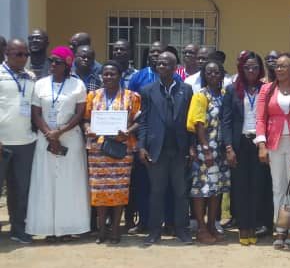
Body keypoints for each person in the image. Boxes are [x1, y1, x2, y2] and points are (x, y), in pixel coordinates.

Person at [26, 46, 90, 241]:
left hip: (70, 138)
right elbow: (36, 113)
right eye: (51, 60)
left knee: (69, 183)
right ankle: (47, 229)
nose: (52, 64)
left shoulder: (77, 85)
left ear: (67, 65)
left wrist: (60, 132)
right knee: (46, 182)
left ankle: (68, 228)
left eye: (57, 61)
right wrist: (50, 134)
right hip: (45, 139)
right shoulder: (40, 85)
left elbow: (79, 113)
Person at [138, 52, 194, 245]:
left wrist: (192, 146)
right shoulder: (147, 90)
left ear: (175, 67)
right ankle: (154, 231)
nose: (161, 66)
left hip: (179, 149)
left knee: (180, 192)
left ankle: (182, 230)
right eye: (159, 64)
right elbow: (143, 121)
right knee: (157, 192)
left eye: (165, 64)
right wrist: (141, 146)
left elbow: (190, 121)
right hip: (157, 149)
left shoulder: (186, 90)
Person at [83, 61, 141, 244]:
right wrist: (88, 129)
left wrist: (129, 131)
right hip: (98, 150)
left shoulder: (132, 97)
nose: (108, 77)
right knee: (99, 190)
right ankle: (102, 230)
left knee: (119, 190)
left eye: (112, 74)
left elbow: (139, 120)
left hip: (121, 149)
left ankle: (115, 228)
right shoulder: (93, 96)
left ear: (120, 76)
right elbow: (85, 119)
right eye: (105, 74)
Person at [256, 53, 290, 249]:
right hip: (274, 143)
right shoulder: (267, 89)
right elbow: (260, 118)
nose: (279, 69)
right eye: (277, 66)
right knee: (278, 187)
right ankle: (279, 228)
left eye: (283, 66)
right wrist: (261, 145)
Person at [222, 52, 270, 245]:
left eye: (255, 67)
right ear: (241, 68)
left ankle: (256, 225)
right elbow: (226, 121)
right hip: (239, 144)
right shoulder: (232, 90)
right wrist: (228, 148)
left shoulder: (265, 89)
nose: (251, 70)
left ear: (260, 69)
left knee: (258, 186)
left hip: (260, 143)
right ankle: (243, 227)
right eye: (247, 67)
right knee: (240, 187)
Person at [187, 60, 231, 244]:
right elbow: (197, 123)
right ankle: (201, 228)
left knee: (216, 190)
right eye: (209, 73)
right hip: (205, 150)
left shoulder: (224, 94)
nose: (213, 75)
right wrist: (205, 149)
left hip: (221, 151)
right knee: (201, 189)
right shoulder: (200, 96)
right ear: (204, 75)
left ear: (222, 75)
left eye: (216, 72)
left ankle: (212, 225)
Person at [0, 39, 36, 244]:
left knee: (21, 190)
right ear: (7, 53)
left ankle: (18, 229)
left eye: (26, 55)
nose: (23, 58)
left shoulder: (30, 77)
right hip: (2, 142)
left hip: (25, 142)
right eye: (18, 54)